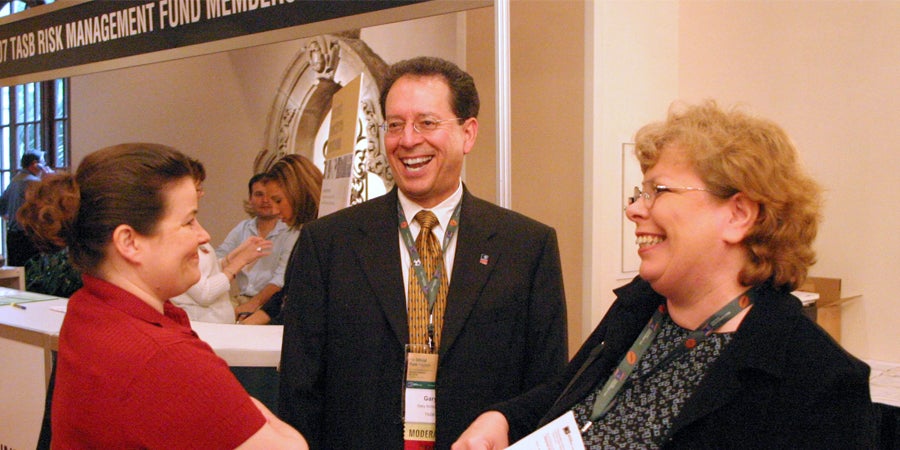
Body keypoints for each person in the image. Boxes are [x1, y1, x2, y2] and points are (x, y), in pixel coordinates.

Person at [453, 101, 876, 449]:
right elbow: (565, 396)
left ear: (738, 215)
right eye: (641, 192)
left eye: (659, 190)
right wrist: (502, 421)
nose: (635, 209)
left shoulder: (818, 381)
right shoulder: (640, 307)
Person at [278, 56, 568, 449]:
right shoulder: (327, 244)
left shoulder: (526, 247)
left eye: (427, 123)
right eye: (395, 125)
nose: (409, 140)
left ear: (468, 133)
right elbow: (300, 390)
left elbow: (548, 385)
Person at [18, 143, 307, 448]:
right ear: (129, 242)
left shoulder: (87, 308)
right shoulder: (163, 357)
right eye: (188, 221)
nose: (203, 235)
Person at [171, 159, 273, 323]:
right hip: (202, 325)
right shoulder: (173, 228)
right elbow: (205, 293)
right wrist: (239, 262)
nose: (202, 193)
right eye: (197, 188)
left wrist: (233, 257)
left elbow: (210, 270)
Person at [239, 154, 322, 325]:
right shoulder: (306, 233)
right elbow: (287, 293)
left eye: (278, 200)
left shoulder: (320, 236)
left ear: (298, 192)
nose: (275, 210)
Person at [216, 173, 294, 312]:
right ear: (250, 199)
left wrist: (249, 307)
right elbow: (218, 258)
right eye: (259, 194)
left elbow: (280, 280)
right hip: (240, 299)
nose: (265, 200)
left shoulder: (291, 232)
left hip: (272, 305)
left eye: (272, 196)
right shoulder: (242, 228)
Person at [1, 152, 46, 266]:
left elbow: (2, 207)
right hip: (29, 237)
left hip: (12, 236)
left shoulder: (14, 181)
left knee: (17, 274)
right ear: (35, 165)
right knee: (33, 277)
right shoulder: (34, 183)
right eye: (43, 162)